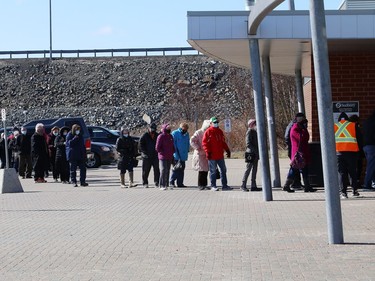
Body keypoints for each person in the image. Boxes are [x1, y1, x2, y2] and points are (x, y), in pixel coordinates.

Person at [283, 114, 316, 193]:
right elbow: (301, 138)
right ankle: (287, 185)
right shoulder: (294, 128)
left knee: (304, 169)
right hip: (298, 153)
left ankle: (307, 186)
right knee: (294, 169)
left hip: (303, 152)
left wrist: (304, 128)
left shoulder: (300, 128)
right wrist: (303, 129)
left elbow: (307, 137)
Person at [334, 112, 361, 198]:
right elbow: (360, 139)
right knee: (352, 171)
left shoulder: (334, 126)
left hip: (338, 153)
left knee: (341, 172)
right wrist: (359, 151)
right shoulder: (353, 125)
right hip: (352, 153)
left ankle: (343, 192)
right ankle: (354, 190)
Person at [202, 117, 232, 191]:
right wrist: (208, 152)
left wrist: (227, 150)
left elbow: (223, 142)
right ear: (211, 123)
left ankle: (224, 185)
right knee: (213, 171)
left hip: (220, 155)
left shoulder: (219, 131)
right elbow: (204, 143)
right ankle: (213, 185)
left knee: (223, 170)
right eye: (214, 122)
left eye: (217, 122)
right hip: (212, 156)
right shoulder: (208, 132)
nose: (216, 123)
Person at [241, 119, 261, 192]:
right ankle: (243, 185)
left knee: (255, 169)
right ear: (251, 125)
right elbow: (248, 143)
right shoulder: (249, 131)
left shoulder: (255, 131)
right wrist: (255, 151)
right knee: (248, 169)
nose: (256, 125)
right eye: (254, 123)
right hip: (250, 153)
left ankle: (253, 185)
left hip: (256, 153)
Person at [190, 120, 210, 190]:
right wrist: (197, 147)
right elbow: (192, 141)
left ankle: (205, 184)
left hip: (206, 153)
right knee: (201, 170)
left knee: (206, 170)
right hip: (200, 153)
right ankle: (200, 184)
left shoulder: (209, 132)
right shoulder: (198, 132)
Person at [284, 114, 303, 189]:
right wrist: (291, 145)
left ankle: (296, 183)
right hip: (293, 149)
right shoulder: (293, 125)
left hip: (293, 149)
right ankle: (290, 183)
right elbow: (287, 137)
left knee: (295, 166)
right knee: (294, 165)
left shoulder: (294, 124)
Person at [139, 123, 160, 188]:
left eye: (154, 129)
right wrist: (144, 153)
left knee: (156, 170)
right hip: (147, 156)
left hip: (155, 155)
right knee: (145, 170)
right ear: (149, 128)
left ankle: (157, 182)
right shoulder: (145, 135)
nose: (153, 130)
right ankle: (145, 183)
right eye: (152, 128)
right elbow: (140, 145)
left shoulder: (157, 135)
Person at [170, 122, 190, 187]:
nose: (185, 130)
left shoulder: (187, 134)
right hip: (176, 155)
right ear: (181, 128)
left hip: (183, 155)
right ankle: (171, 182)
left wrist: (187, 150)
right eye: (184, 129)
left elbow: (187, 143)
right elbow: (173, 145)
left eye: (186, 129)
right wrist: (176, 154)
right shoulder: (175, 133)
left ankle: (180, 183)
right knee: (176, 169)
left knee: (182, 169)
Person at [155, 124, 175, 190]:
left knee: (168, 170)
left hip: (169, 156)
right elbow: (157, 147)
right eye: (168, 128)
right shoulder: (161, 136)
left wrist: (173, 151)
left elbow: (172, 145)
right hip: (162, 156)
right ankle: (161, 185)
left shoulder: (171, 136)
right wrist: (162, 152)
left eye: (170, 128)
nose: (169, 129)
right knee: (163, 170)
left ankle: (166, 184)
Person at [362, 110, 375, 190]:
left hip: (365, 146)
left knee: (372, 165)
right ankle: (367, 184)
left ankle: (372, 183)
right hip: (372, 146)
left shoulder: (366, 122)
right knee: (371, 166)